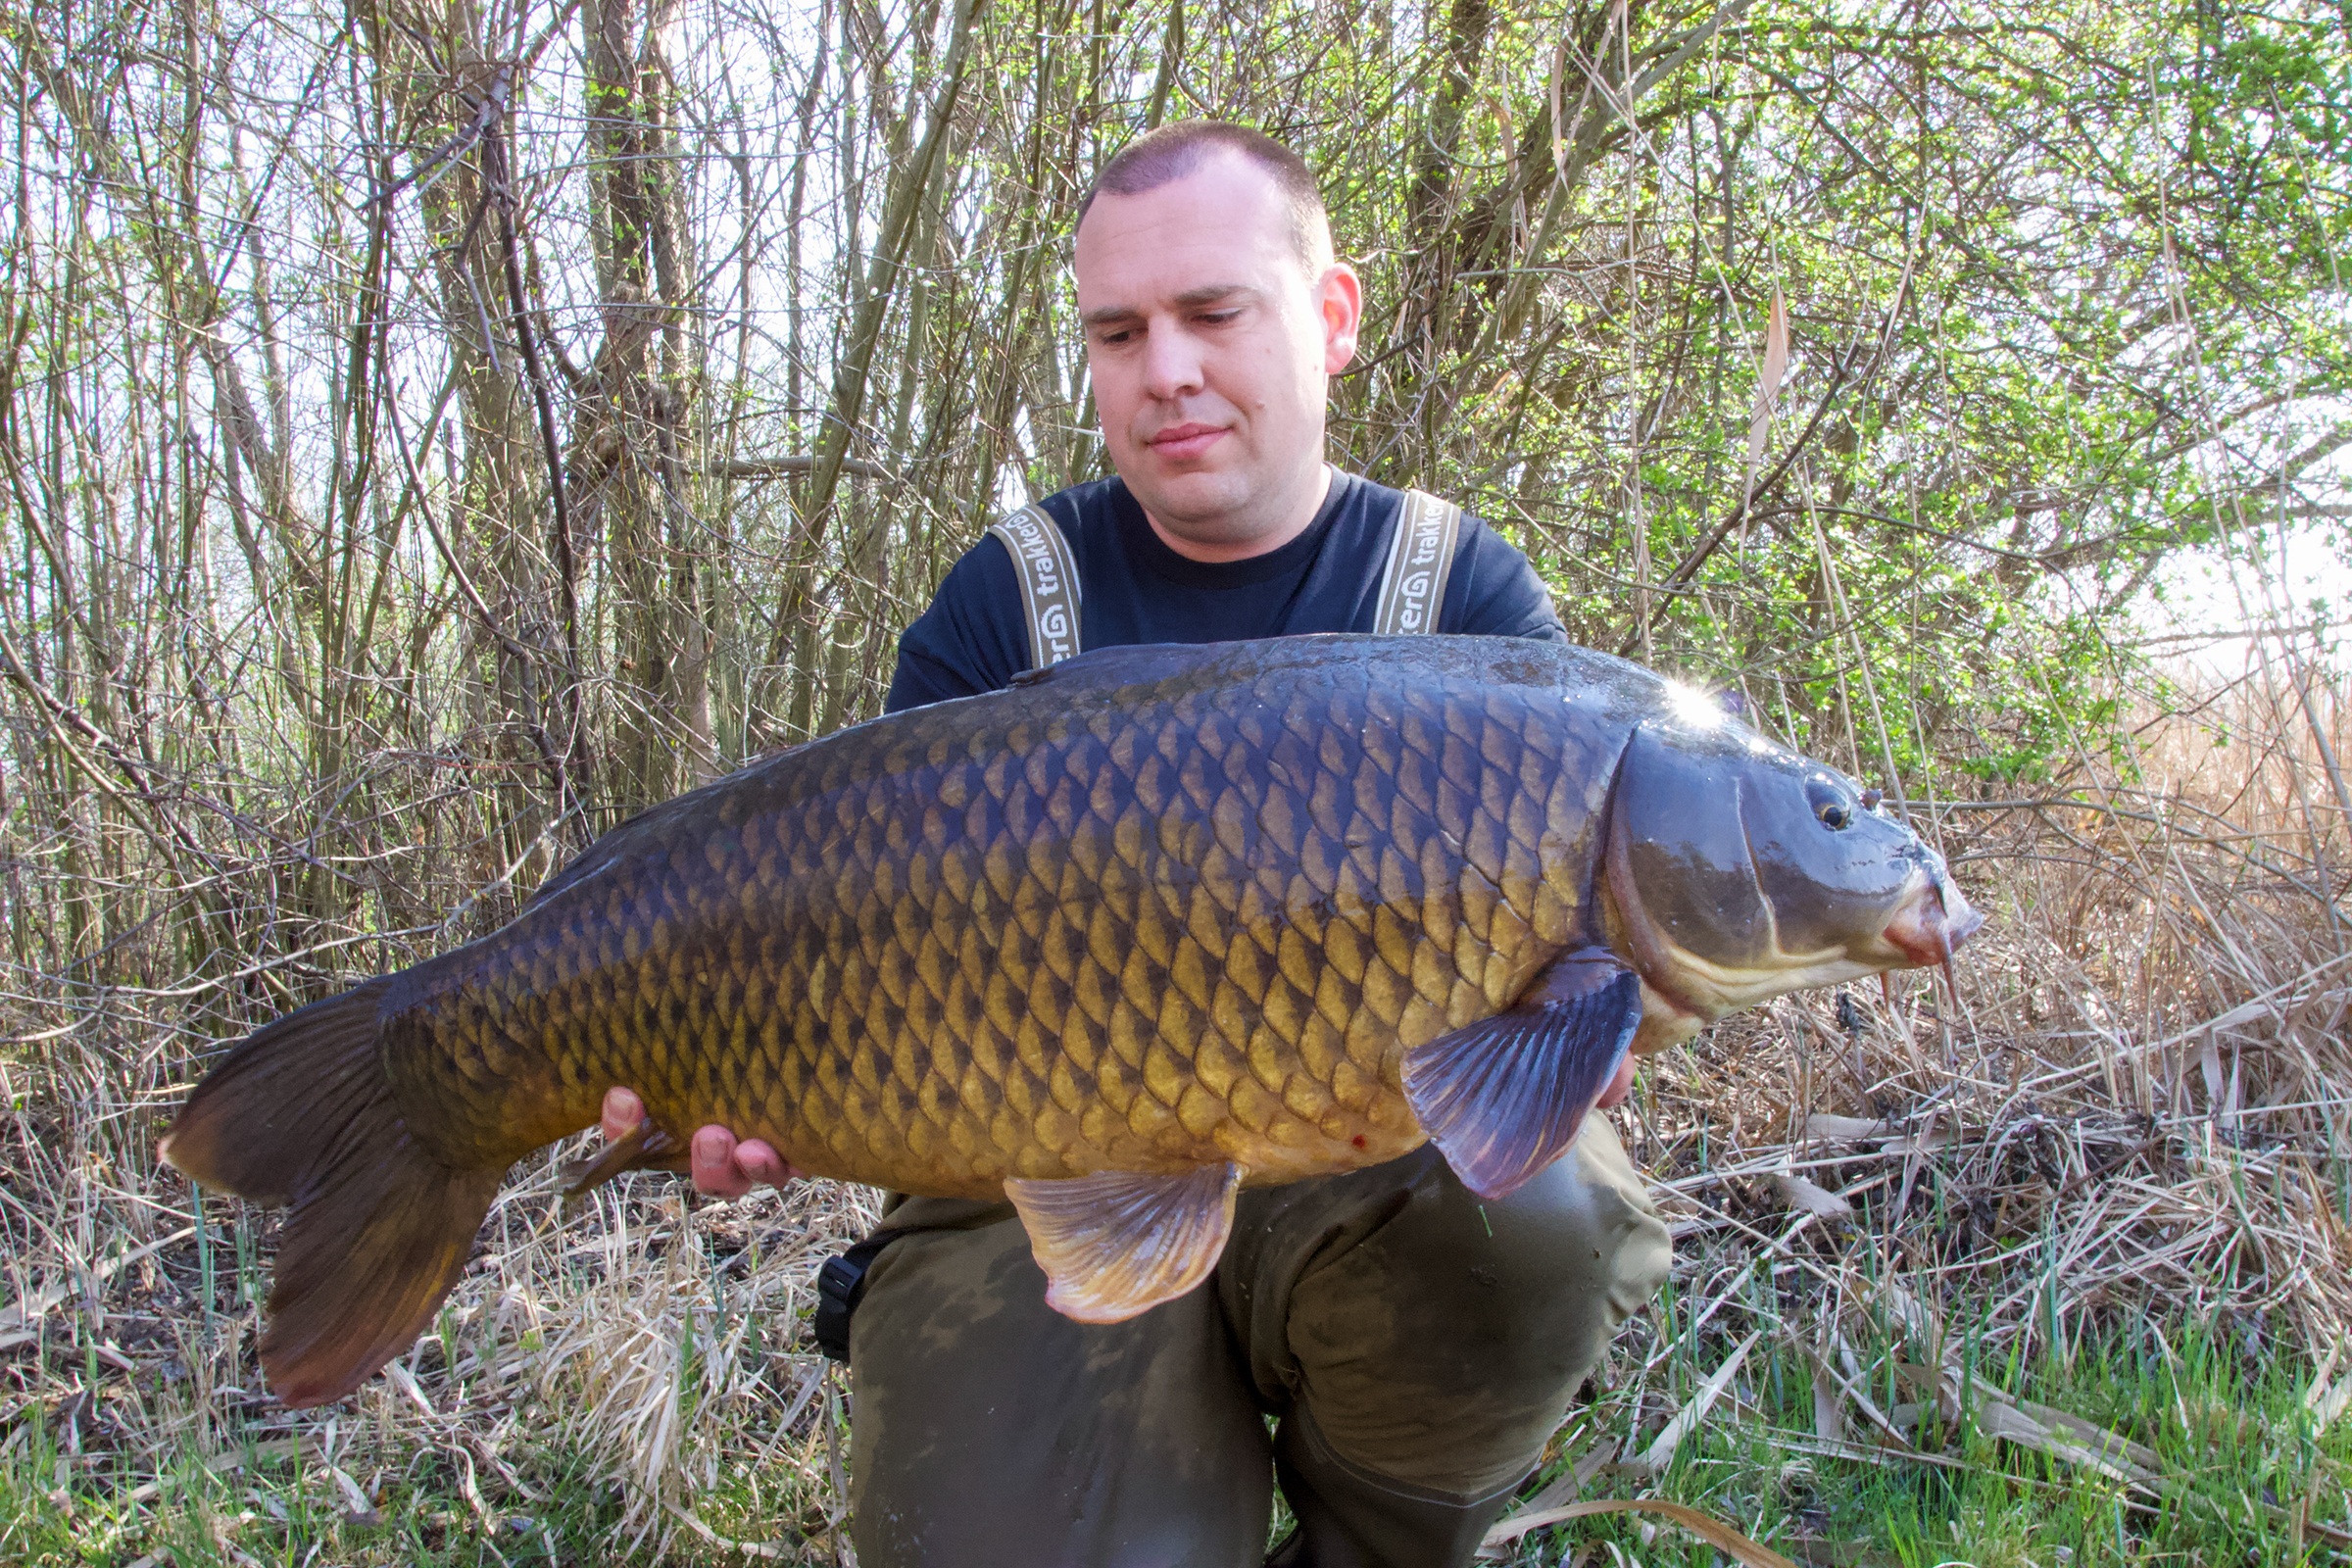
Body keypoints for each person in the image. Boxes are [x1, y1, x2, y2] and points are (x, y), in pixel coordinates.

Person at [600, 121, 1671, 1568]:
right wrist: (733, 1074)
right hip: (1028, 1199)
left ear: (1331, 317)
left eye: (1213, 313)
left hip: (1369, 1178)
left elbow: (1553, 1035)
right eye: (1120, 331)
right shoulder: (1008, 601)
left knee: (1539, 1213)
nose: (1165, 368)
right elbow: (857, 963)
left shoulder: (1464, 602)